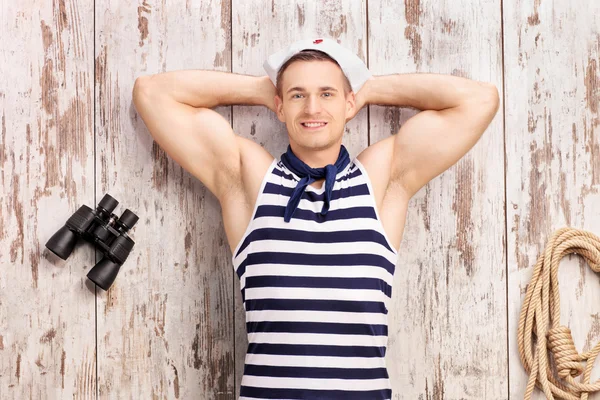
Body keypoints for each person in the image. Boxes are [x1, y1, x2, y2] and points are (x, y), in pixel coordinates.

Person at [132, 39, 499, 399]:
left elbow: (479, 101)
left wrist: (367, 89)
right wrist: (264, 90)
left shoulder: (380, 179)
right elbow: (152, 93)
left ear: (348, 102)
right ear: (280, 106)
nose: (311, 108)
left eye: (327, 94)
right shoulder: (252, 179)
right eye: (297, 95)